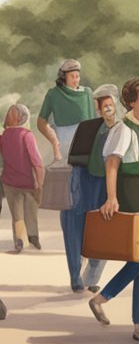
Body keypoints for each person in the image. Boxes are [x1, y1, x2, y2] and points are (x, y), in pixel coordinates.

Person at [88, 78, 139, 343]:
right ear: (132, 101)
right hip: (132, 189)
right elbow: (112, 163)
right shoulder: (124, 128)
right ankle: (103, 299)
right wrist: (112, 198)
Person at [37, 59, 98, 289]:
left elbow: (95, 124)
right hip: (67, 162)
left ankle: (91, 274)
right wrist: (54, 141)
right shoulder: (53, 94)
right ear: (63, 76)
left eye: (78, 74)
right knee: (71, 218)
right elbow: (41, 121)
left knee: (91, 216)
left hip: (89, 159)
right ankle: (75, 275)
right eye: (72, 74)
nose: (76, 78)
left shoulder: (87, 94)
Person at [64, 84, 120, 291]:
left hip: (107, 185)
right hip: (84, 180)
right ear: (97, 107)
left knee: (104, 228)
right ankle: (76, 277)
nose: (108, 109)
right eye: (104, 105)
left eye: (111, 104)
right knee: (75, 227)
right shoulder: (88, 127)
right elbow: (74, 159)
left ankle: (91, 278)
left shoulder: (122, 128)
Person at [2, 104, 44, 253]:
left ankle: (21, 240)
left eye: (11, 112)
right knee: (30, 211)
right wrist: (40, 181)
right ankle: (32, 238)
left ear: (19, 118)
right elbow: (37, 162)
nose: (7, 114)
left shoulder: (4, 137)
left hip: (10, 182)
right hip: (27, 182)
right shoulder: (27, 135)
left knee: (17, 214)